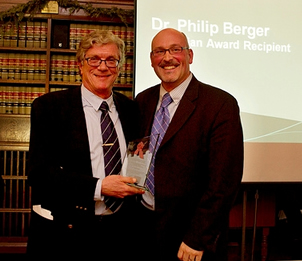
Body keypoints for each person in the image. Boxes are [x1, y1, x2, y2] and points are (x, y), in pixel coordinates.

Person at [27, 30, 144, 259]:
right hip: (66, 235)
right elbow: (39, 175)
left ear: (119, 66)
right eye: (94, 59)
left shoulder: (131, 109)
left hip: (121, 234)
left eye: (111, 59)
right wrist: (99, 187)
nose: (103, 66)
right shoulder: (49, 107)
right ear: (80, 65)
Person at [135, 28, 244, 261]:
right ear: (152, 60)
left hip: (190, 239)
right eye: (159, 51)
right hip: (144, 230)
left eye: (176, 49)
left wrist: (197, 237)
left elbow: (224, 182)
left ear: (190, 56)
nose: (167, 58)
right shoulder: (142, 101)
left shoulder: (220, 104)